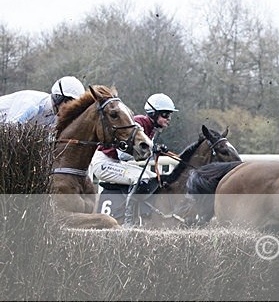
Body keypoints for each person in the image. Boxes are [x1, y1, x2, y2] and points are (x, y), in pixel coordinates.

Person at [88, 93, 178, 226]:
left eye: (169, 115)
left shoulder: (151, 129)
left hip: (115, 163)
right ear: (153, 113)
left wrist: (154, 151)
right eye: (165, 114)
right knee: (140, 179)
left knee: (152, 177)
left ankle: (143, 213)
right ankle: (128, 220)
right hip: (103, 162)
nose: (168, 118)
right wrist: (151, 150)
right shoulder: (138, 124)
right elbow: (122, 154)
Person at [0, 76, 85, 127]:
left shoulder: (54, 117)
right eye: (70, 103)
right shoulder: (32, 105)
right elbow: (10, 129)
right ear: (58, 97)